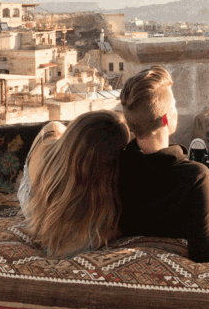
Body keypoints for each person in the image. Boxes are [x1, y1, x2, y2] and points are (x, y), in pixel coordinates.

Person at [118, 65, 209, 263]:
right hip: (194, 192)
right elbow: (206, 251)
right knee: (204, 177)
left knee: (199, 172)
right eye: (174, 105)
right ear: (166, 118)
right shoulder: (194, 176)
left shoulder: (117, 164)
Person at [17, 110, 132, 259]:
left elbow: (57, 132)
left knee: (55, 127)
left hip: (35, 203)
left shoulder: (45, 151)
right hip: (72, 225)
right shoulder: (97, 232)